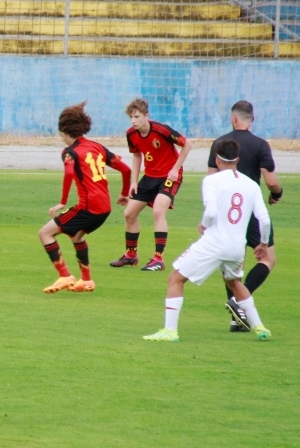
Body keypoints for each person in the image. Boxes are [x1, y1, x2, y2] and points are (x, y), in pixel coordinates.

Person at [143, 140, 272, 342]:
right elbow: (264, 219)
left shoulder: (211, 181)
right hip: (237, 247)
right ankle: (260, 327)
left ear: (217, 160)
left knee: (175, 278)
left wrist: (204, 225)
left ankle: (170, 331)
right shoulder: (251, 184)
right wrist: (263, 243)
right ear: (237, 159)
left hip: (214, 242)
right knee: (234, 282)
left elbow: (211, 212)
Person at [40, 101, 131, 293]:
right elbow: (126, 169)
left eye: (61, 136)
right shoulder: (98, 147)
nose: (62, 139)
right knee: (77, 236)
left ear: (65, 132)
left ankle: (65, 276)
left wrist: (62, 202)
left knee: (45, 233)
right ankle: (86, 280)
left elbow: (69, 173)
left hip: (88, 208)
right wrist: (124, 193)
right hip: (104, 208)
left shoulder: (69, 152)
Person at [208, 100, 283, 332]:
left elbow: (211, 178)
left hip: (225, 212)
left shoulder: (220, 143)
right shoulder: (260, 145)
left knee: (233, 264)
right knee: (268, 259)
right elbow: (271, 181)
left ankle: (236, 319)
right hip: (249, 209)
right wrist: (277, 194)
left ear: (234, 118)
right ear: (252, 119)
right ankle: (241, 301)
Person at [109, 98, 192, 272]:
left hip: (169, 176)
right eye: (131, 117)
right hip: (149, 177)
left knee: (158, 211)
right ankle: (131, 255)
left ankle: (158, 259)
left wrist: (175, 169)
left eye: (137, 117)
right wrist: (133, 181)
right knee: (129, 214)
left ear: (146, 116)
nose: (133, 121)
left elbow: (187, 144)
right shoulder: (131, 134)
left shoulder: (162, 130)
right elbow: (137, 155)